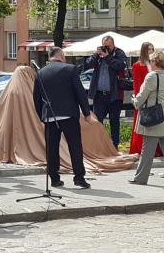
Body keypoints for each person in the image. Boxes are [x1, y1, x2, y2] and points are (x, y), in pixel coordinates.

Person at [33, 47, 94, 189]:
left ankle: (54, 178)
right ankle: (79, 177)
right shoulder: (70, 69)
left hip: (49, 116)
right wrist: (86, 113)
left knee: (52, 149)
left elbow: (36, 98)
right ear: (61, 55)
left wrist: (42, 116)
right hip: (68, 114)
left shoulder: (40, 73)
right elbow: (80, 93)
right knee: (75, 146)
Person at [129, 51, 164, 185]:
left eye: (151, 61)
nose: (150, 63)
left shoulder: (151, 76)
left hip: (154, 117)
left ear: (154, 62)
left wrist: (135, 101)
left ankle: (140, 178)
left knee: (147, 150)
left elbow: (142, 96)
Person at [85, 35, 127, 149]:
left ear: (113, 44)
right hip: (99, 95)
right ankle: (99, 145)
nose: (105, 48)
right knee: (97, 122)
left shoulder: (119, 53)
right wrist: (96, 54)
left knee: (114, 121)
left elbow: (120, 66)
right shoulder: (98, 56)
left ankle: (114, 146)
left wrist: (108, 57)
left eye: (108, 46)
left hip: (114, 95)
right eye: (104, 46)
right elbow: (88, 64)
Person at [129, 42, 157, 155]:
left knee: (154, 124)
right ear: (144, 51)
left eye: (152, 49)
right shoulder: (137, 65)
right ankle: (139, 148)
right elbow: (136, 85)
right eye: (149, 49)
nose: (151, 51)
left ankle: (155, 149)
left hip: (154, 99)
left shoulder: (155, 64)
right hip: (142, 98)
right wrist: (138, 99)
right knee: (141, 124)